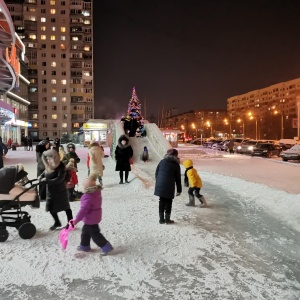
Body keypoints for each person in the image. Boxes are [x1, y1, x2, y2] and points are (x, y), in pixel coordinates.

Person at [73, 173, 113, 256]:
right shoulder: (96, 193)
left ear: (87, 188)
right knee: (85, 232)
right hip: (94, 217)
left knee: (95, 234)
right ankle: (84, 246)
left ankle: (106, 246)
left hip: (91, 218)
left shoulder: (88, 197)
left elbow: (83, 210)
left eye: (83, 187)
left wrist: (76, 220)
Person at [40, 149, 73, 230]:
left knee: (66, 208)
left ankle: (71, 223)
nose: (48, 160)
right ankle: (57, 222)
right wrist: (41, 177)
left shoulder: (61, 167)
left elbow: (59, 179)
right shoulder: (48, 166)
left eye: (50, 159)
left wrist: (47, 181)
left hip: (60, 191)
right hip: (51, 191)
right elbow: (44, 173)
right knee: (51, 208)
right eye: (47, 159)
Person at [154, 148, 182, 224]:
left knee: (162, 201)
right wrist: (179, 190)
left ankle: (161, 219)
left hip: (160, 184)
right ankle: (167, 219)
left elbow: (156, 173)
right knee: (169, 202)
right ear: (176, 155)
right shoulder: (176, 165)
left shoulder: (162, 161)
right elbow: (178, 178)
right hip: (169, 185)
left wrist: (159, 182)